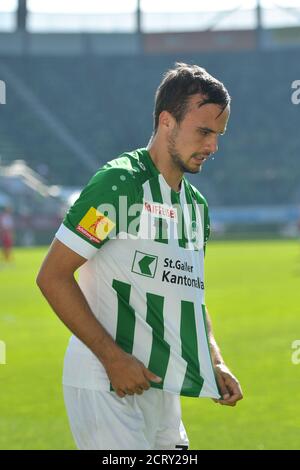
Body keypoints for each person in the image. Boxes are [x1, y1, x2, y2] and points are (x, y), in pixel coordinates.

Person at [36, 62, 243, 450]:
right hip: (106, 382)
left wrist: (213, 359)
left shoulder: (196, 207)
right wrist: (112, 358)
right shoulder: (120, 187)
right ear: (167, 121)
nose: (213, 146)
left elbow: (190, 294)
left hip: (162, 386)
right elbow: (53, 276)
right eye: (203, 131)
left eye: (218, 135)